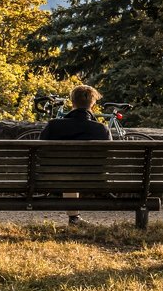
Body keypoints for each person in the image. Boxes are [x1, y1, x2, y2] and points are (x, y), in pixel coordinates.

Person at [39, 84, 110, 225]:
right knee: (73, 172)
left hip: (54, 177)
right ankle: (74, 218)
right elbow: (108, 159)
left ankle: (74, 217)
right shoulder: (101, 130)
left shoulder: (53, 126)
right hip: (94, 179)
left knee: (68, 172)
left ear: (72, 102)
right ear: (93, 104)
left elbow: (40, 152)